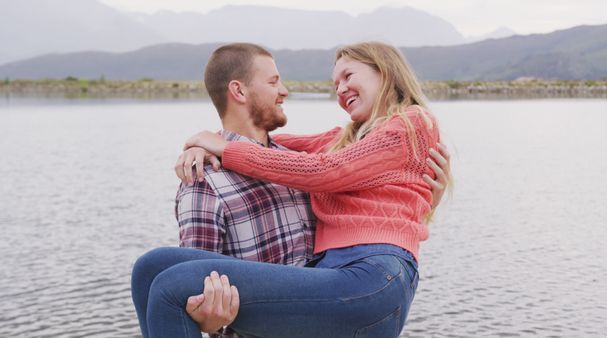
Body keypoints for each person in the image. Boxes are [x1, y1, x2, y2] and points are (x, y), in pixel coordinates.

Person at [132, 41, 449, 337]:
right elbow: (279, 143)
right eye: (334, 83)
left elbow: (326, 171)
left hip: (372, 276)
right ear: (239, 91)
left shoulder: (413, 123)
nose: (340, 89)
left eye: (348, 75)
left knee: (173, 284)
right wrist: (206, 143)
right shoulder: (348, 138)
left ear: (385, 72)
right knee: (149, 268)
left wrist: (222, 148)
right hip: (333, 275)